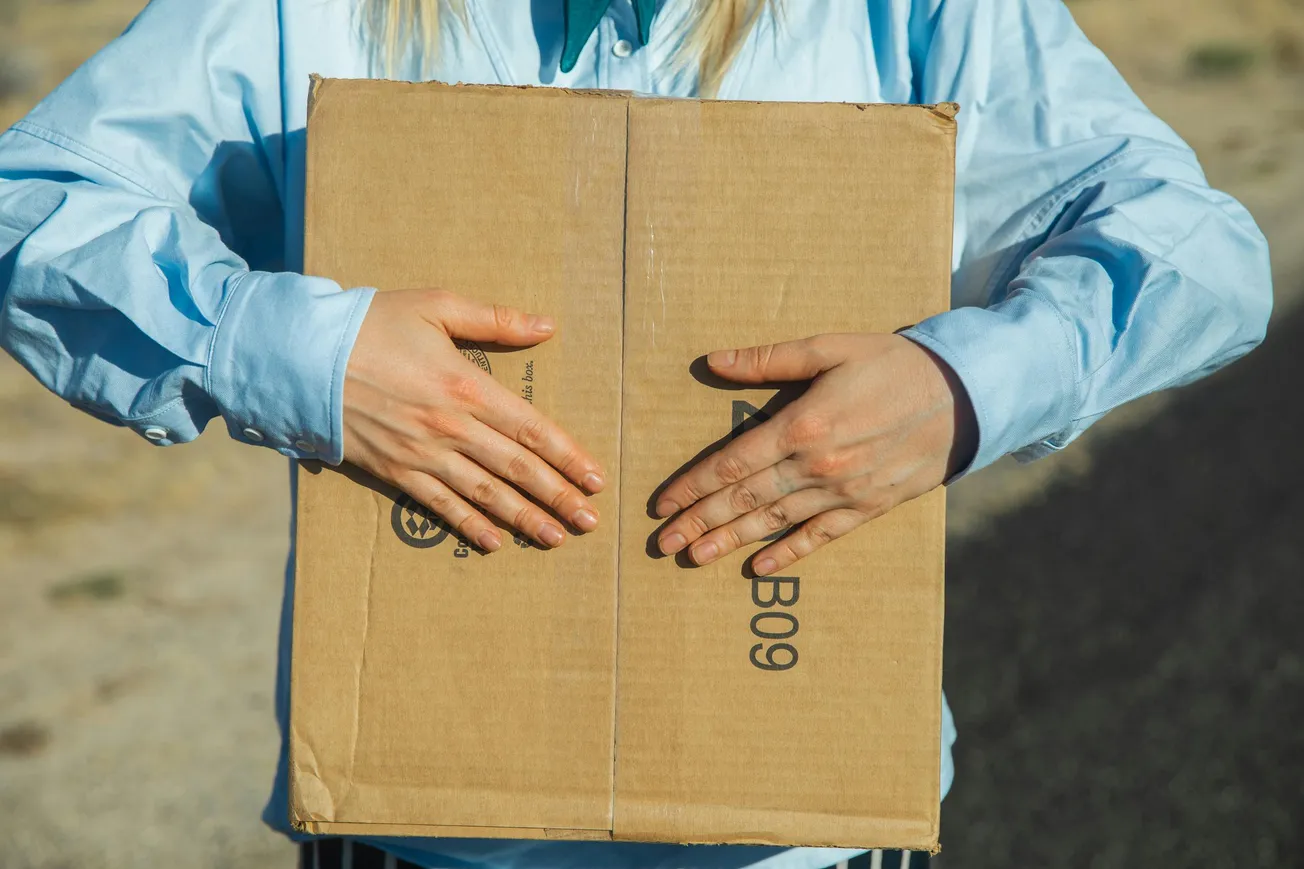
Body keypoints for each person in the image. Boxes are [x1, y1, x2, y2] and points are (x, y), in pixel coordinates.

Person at [0, 0, 1273, 867]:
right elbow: (32, 205)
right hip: (423, 829)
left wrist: (960, 387)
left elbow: (1197, 253)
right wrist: (281, 350)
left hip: (798, 833)